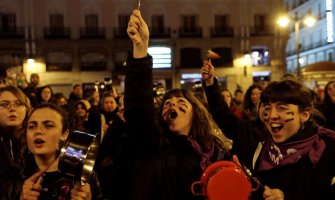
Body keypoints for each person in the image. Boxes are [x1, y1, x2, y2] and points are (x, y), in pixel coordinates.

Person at [123, 9, 231, 200]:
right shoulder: (154, 146)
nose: (173, 105)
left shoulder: (215, 150)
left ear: (195, 114)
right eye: (167, 104)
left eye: (182, 103)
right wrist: (140, 50)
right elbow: (138, 108)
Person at [201, 60, 335, 200]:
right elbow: (225, 118)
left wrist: (287, 197)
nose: (272, 116)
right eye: (267, 108)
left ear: (305, 115)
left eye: (282, 108)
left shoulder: (327, 149)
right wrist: (245, 176)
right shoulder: (261, 143)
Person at [20, 103, 105, 200]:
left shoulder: (85, 175)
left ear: (65, 134)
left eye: (48, 125)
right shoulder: (14, 176)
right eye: (32, 126)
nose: (38, 131)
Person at [0, 86, 32, 199]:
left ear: (26, 108)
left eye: (19, 104)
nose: (12, 108)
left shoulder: (37, 140)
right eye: (4, 104)